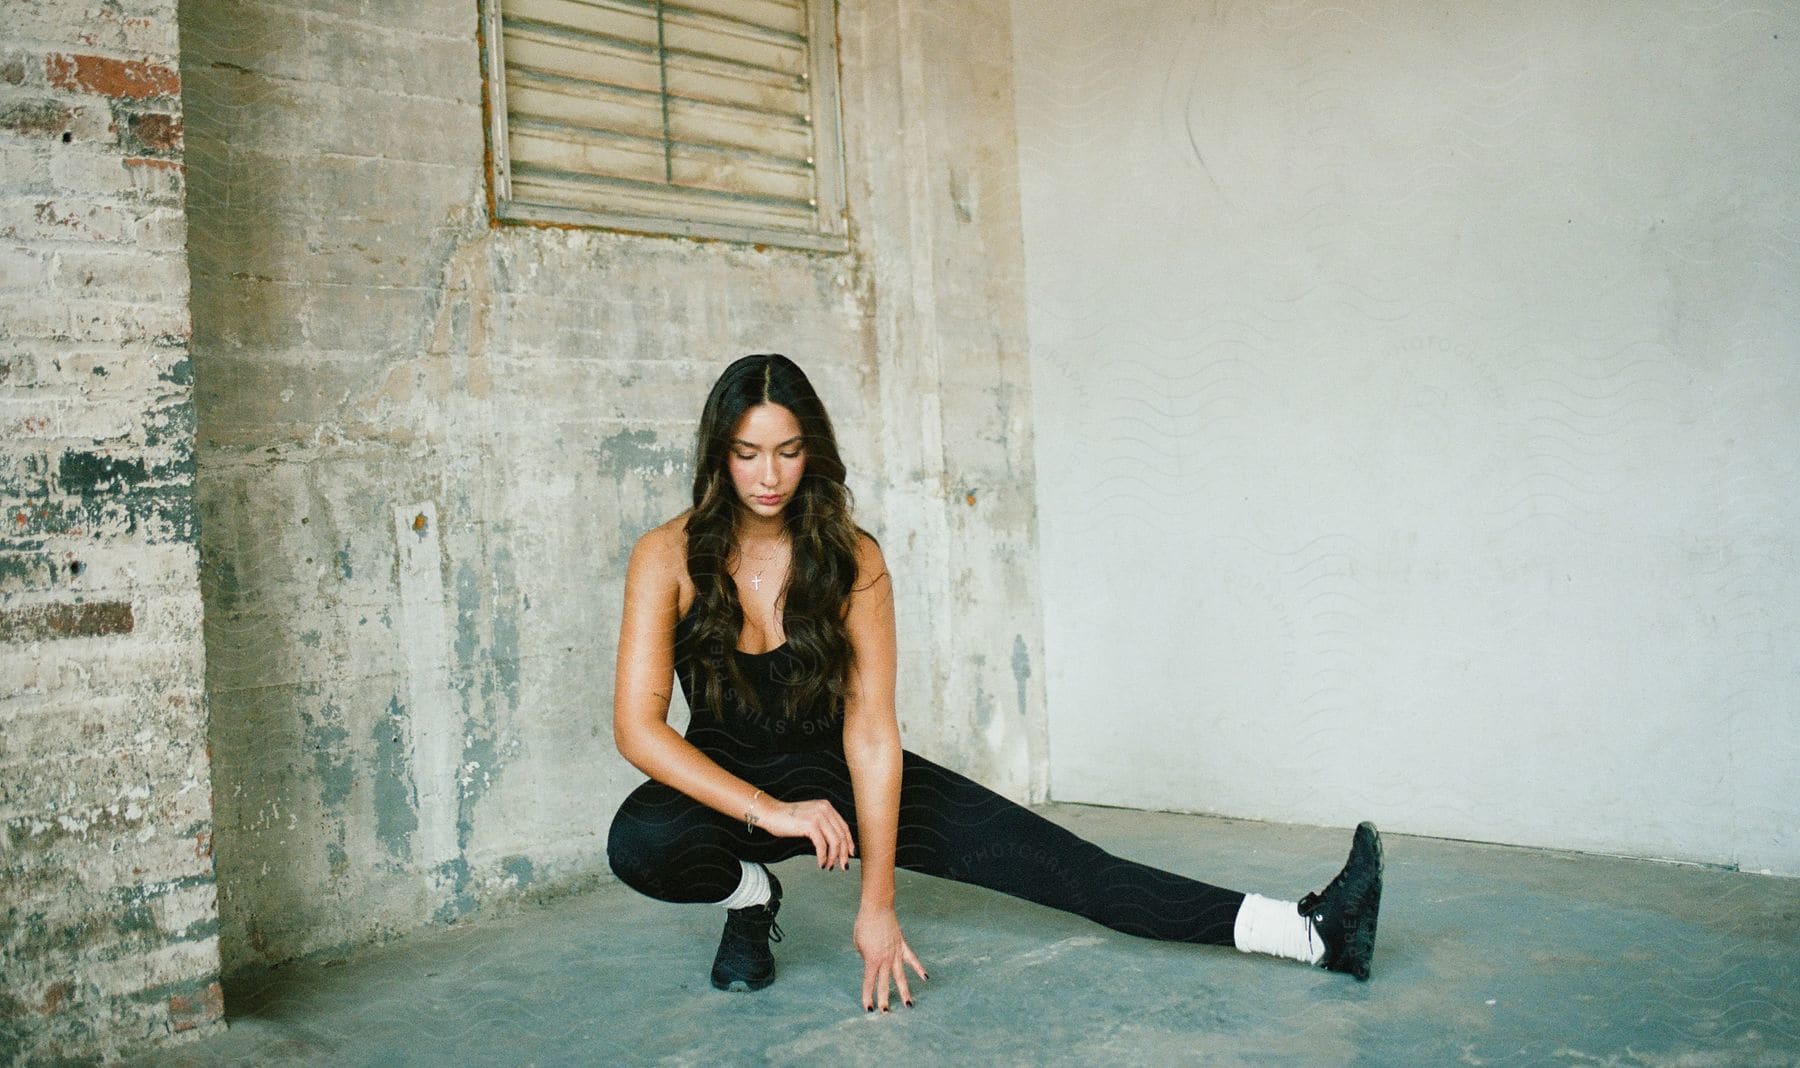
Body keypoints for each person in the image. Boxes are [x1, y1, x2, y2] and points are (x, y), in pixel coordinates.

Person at [606, 354, 1383, 1012]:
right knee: (639, 841)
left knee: (1078, 872)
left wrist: (877, 903)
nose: (768, 475)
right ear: (719, 452)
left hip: (842, 779)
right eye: (747, 452)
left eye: (788, 450)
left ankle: (1311, 931)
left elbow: (871, 731)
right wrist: (770, 811)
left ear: (814, 452)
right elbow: (638, 730)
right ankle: (751, 902)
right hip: (727, 791)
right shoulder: (666, 555)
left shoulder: (854, 558)